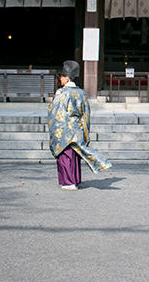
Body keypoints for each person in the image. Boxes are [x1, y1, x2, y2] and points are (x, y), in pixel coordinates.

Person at [48, 60, 112, 190]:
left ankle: (69, 182)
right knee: (75, 153)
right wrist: (85, 132)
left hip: (64, 129)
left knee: (65, 154)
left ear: (66, 78)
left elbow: (55, 113)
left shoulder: (61, 93)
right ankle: (75, 179)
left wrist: (56, 133)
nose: (60, 79)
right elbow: (86, 114)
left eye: (61, 77)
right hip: (77, 128)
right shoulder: (81, 93)